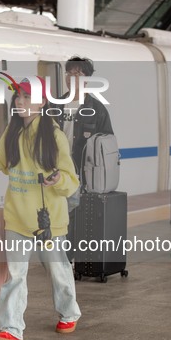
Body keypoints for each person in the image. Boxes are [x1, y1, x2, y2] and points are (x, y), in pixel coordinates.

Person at [0, 76, 81, 340]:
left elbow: (71, 180)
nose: (20, 102)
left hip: (48, 221)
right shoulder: (13, 131)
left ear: (41, 102)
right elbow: (0, 159)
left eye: (26, 97)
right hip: (17, 217)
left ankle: (69, 311)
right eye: (18, 97)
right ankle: (11, 327)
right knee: (15, 274)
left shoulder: (54, 136)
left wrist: (58, 180)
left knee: (57, 269)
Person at [57, 57, 114, 260]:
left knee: (75, 217)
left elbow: (107, 145)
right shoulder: (54, 107)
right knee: (58, 216)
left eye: (78, 74)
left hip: (82, 174)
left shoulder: (98, 111)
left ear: (87, 79)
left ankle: (69, 259)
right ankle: (61, 258)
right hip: (57, 173)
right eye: (69, 73)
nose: (72, 78)